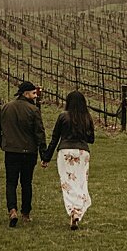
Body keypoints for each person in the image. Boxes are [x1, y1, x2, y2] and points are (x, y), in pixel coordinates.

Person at [0, 81, 45, 227]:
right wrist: (43, 153)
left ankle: (12, 210)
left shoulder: (5, 107)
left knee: (11, 182)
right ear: (25, 94)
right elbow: (39, 133)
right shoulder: (33, 111)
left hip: (11, 151)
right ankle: (25, 213)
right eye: (33, 93)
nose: (35, 96)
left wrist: (3, 143)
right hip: (29, 152)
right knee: (26, 183)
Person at [42, 90, 95, 230]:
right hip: (82, 152)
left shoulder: (63, 116)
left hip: (65, 151)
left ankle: (73, 211)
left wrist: (46, 157)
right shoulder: (87, 118)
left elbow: (55, 138)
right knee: (81, 182)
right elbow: (91, 139)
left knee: (67, 183)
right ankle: (78, 211)